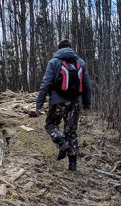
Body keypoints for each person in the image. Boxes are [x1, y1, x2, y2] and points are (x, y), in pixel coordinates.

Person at [36, 39, 92, 171]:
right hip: (75, 102)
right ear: (70, 48)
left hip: (58, 101)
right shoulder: (80, 62)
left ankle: (61, 143)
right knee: (71, 131)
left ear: (58, 49)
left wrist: (39, 103)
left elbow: (46, 83)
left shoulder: (54, 62)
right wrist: (87, 103)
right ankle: (72, 165)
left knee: (50, 124)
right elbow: (87, 84)